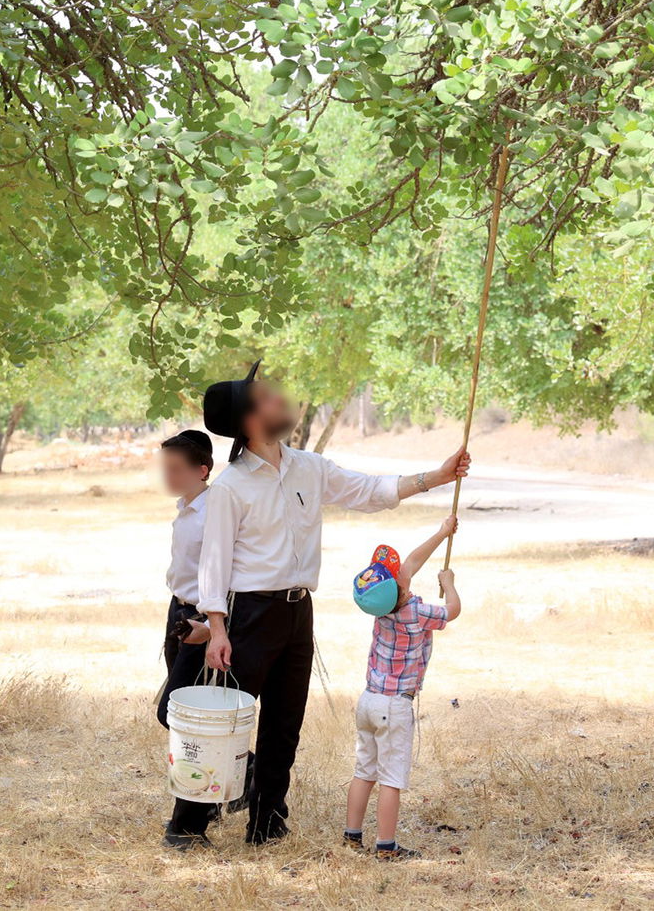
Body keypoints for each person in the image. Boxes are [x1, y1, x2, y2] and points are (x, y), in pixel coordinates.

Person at [159, 360, 471, 850]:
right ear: (248, 420)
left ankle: (266, 823)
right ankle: (187, 826)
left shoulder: (309, 467)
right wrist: (217, 629)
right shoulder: (230, 488)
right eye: (266, 397)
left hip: (297, 611)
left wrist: (437, 475)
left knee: (285, 723)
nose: (278, 400)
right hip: (248, 615)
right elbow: (213, 565)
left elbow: (370, 491)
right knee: (227, 721)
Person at [343, 517, 462, 860]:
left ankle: (352, 836)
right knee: (391, 778)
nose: (404, 573)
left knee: (364, 771)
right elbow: (452, 611)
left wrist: (442, 533)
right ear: (401, 587)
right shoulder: (416, 612)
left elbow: (409, 564)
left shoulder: (381, 609)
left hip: (368, 701)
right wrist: (449, 582)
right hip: (394, 706)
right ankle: (386, 846)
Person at [157, 431, 214, 671]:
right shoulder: (184, 507)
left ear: (202, 472)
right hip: (177, 608)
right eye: (166, 468)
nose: (168, 476)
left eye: (176, 469)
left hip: (200, 615)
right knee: (175, 689)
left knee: (185, 696)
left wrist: (212, 626)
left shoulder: (213, 512)